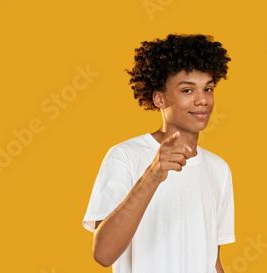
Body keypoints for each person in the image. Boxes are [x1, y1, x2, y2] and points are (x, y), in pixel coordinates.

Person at [82, 34, 235, 273]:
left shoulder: (218, 169)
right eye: (187, 90)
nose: (203, 99)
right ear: (159, 98)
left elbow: (212, 261)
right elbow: (103, 254)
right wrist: (153, 174)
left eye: (208, 88)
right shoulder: (125, 156)